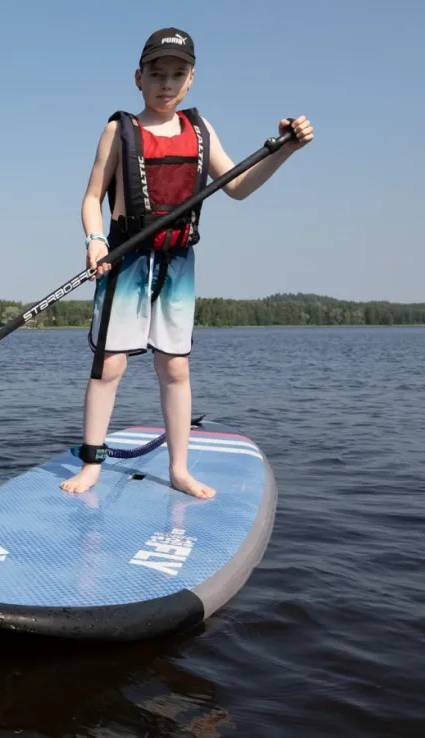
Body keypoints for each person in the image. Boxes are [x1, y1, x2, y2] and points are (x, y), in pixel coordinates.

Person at [62, 28, 313, 498]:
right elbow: (92, 197)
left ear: (191, 79)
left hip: (177, 261)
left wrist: (287, 151)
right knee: (110, 365)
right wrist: (95, 240)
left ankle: (179, 469)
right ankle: (91, 465)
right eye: (157, 75)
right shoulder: (120, 130)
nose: (166, 84)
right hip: (126, 258)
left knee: (175, 369)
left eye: (177, 75)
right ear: (139, 78)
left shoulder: (200, 130)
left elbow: (237, 186)